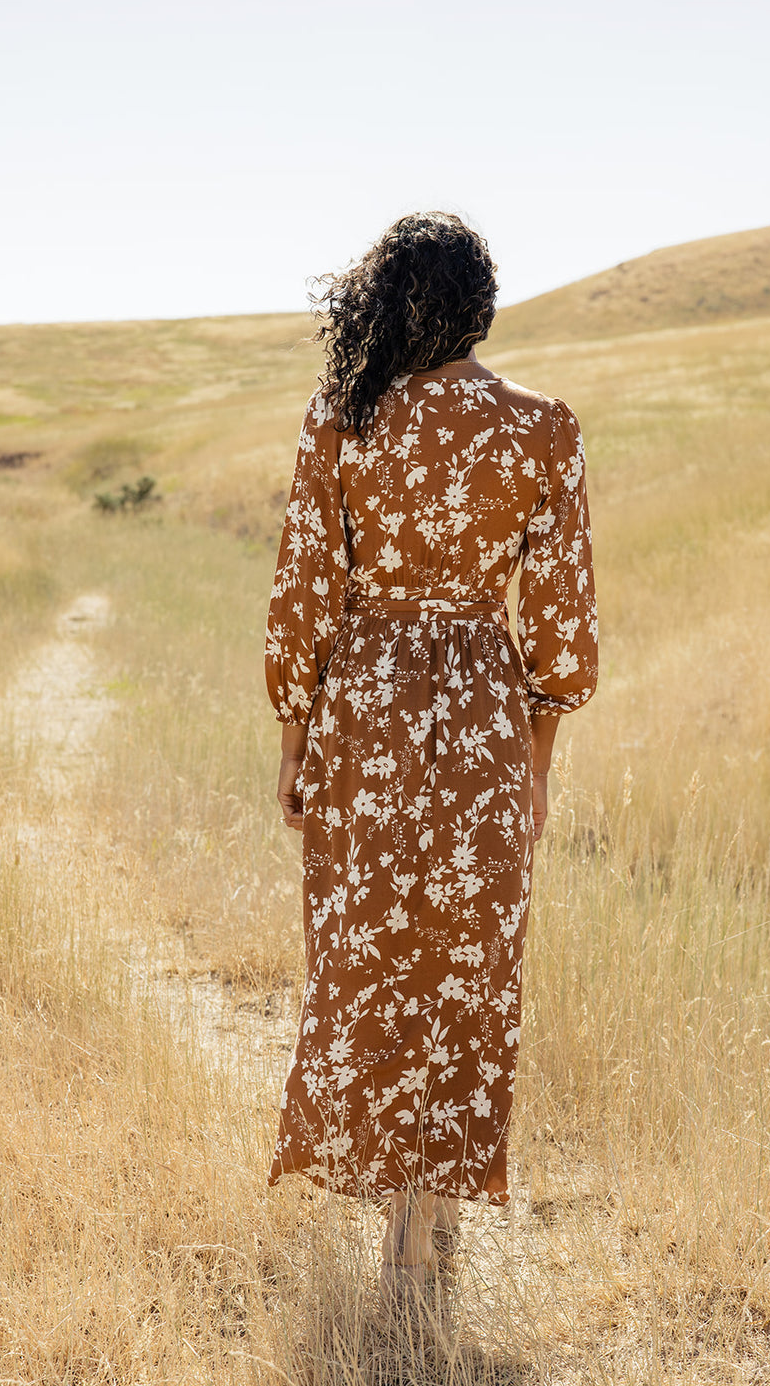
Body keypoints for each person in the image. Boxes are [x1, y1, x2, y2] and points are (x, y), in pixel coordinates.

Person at [264, 212, 597, 1310]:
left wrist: (293, 735)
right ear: (480, 307)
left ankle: (403, 1220)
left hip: (364, 710)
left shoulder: (344, 416)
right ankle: (428, 1218)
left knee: (367, 952)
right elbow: (558, 625)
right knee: (469, 962)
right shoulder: (543, 428)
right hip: (485, 719)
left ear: (390, 306)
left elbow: (305, 590)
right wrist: (538, 763)